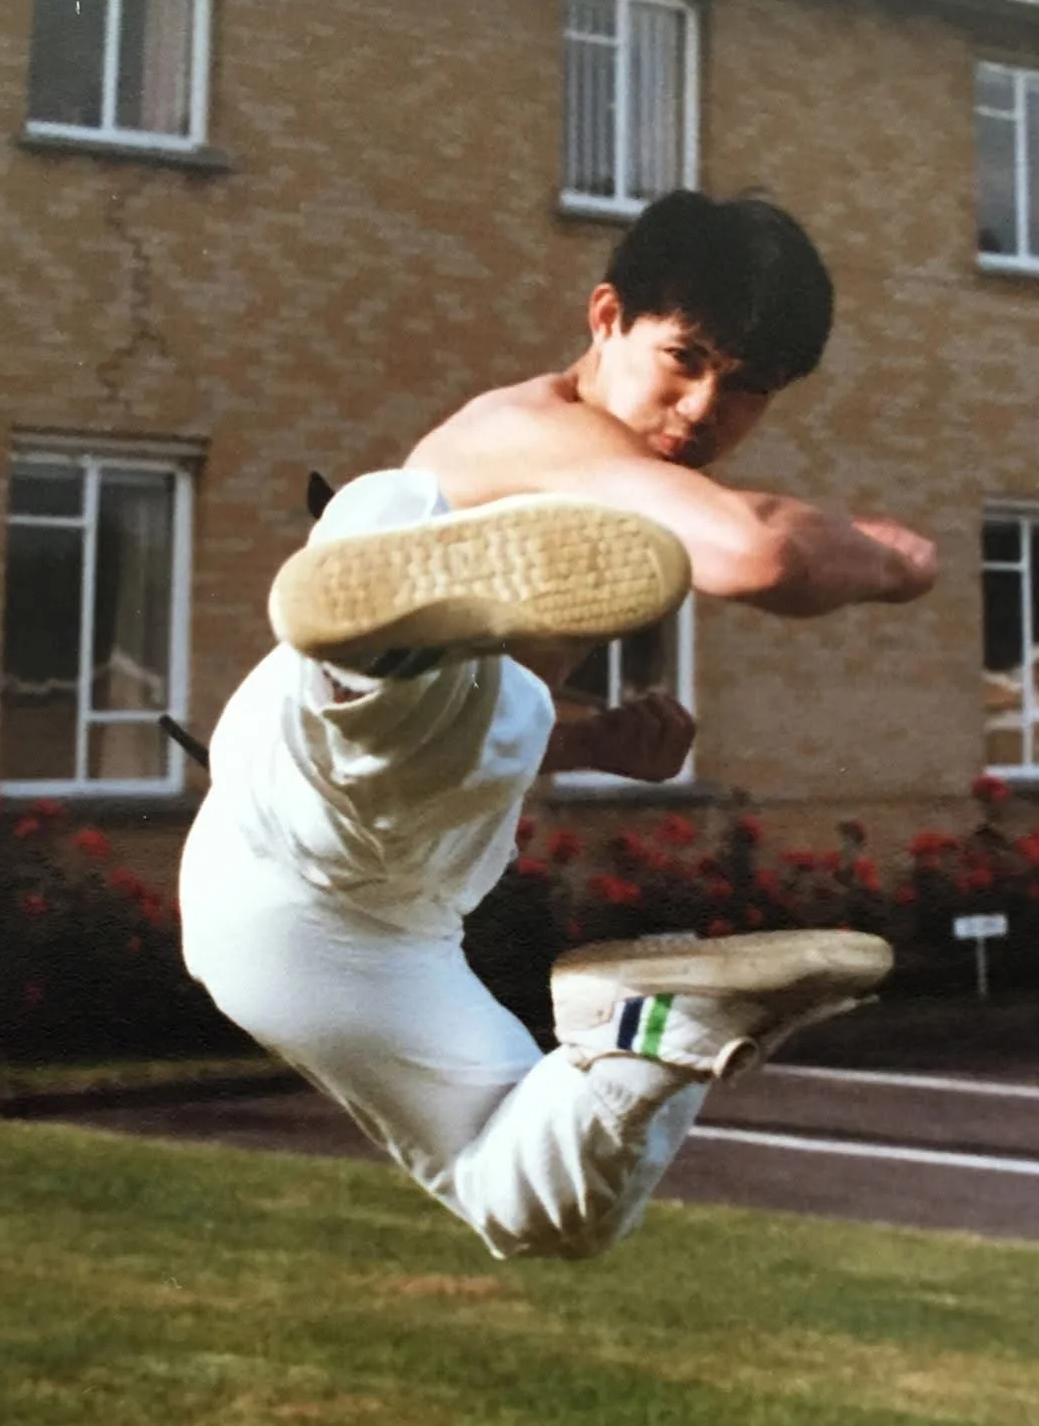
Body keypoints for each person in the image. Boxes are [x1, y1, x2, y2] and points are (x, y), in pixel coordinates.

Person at [180, 190, 937, 1261]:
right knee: (416, 699)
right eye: (684, 357)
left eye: (747, 387)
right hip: (296, 840)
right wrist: (905, 562)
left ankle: (658, 1027)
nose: (703, 409)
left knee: (542, 1209)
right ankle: (366, 620)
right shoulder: (547, 435)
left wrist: (590, 746)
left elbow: (480, 743)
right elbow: (754, 555)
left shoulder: (595, 482)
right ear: (604, 317)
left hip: (374, 907)